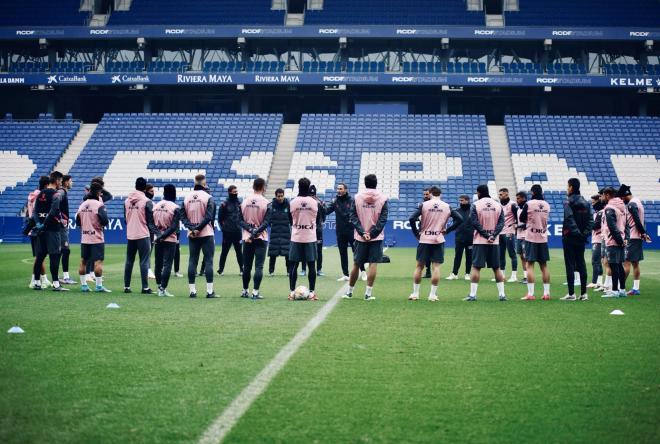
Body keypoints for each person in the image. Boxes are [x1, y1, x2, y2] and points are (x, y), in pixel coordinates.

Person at [408, 186, 463, 301]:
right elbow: (460, 219)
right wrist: (447, 231)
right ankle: (432, 295)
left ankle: (415, 294)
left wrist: (416, 234)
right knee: (436, 267)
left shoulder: (424, 205)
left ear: (431, 194)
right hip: (438, 238)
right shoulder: (447, 206)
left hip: (424, 238)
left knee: (419, 267)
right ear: (440, 194)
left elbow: (412, 218)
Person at [345, 174, 389, 301]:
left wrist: (363, 232)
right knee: (373, 264)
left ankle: (349, 292)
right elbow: (383, 219)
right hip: (376, 238)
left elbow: (352, 216)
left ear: (365, 183)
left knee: (356, 264)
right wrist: (373, 233)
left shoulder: (357, 197)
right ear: (376, 183)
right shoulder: (383, 198)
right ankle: (368, 294)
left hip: (360, 237)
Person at [464, 184, 506, 301]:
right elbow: (501, 223)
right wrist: (493, 235)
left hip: (479, 241)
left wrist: (486, 235)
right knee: (497, 268)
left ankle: (472, 295)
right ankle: (502, 295)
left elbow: (474, 222)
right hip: (494, 241)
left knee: (476, 268)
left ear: (478, 193)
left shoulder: (475, 205)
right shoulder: (498, 205)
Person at [123, 177, 161, 294]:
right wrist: (158, 233)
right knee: (144, 261)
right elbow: (150, 221)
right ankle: (145, 287)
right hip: (143, 234)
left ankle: (127, 287)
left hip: (130, 234)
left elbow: (125, 219)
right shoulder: (147, 201)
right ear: (145, 188)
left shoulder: (126, 201)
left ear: (135, 185)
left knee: (129, 260)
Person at [32, 171, 67, 291]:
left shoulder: (41, 193)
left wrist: (38, 224)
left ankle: (37, 283)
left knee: (40, 256)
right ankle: (56, 284)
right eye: (60, 181)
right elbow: (53, 211)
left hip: (41, 230)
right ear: (57, 181)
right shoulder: (56, 194)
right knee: (54, 256)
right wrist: (45, 224)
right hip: (52, 229)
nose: (61, 184)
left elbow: (35, 212)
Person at [288, 178, 322, 301]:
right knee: (311, 265)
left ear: (298, 186)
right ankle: (312, 293)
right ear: (308, 187)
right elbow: (318, 220)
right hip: (310, 237)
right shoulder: (314, 202)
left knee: (294, 266)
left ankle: (292, 293)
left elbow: (289, 220)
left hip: (296, 236)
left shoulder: (292, 202)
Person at [560, 178, 593, 301]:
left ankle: (571, 294)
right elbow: (591, 220)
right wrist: (584, 234)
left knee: (570, 264)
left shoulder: (568, 202)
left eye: (568, 186)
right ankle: (584, 294)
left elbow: (569, 219)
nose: (567, 189)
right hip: (581, 239)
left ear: (571, 187)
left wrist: (577, 233)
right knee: (581, 263)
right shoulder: (586, 202)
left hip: (570, 237)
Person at [182, 180, 217, 298]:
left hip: (192, 234)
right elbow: (209, 217)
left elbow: (183, 216)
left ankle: (192, 291)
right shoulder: (208, 197)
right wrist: (198, 228)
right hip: (206, 233)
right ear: (204, 184)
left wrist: (192, 228)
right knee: (209, 261)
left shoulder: (186, 198)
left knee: (192, 261)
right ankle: (209, 291)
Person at [325, 183, 365, 281]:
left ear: (345, 190)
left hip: (352, 231)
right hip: (340, 232)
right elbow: (326, 211)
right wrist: (321, 206)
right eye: (337, 189)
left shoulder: (352, 200)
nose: (338, 190)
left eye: (341, 189)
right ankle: (345, 275)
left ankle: (363, 271)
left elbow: (359, 213)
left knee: (357, 252)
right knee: (342, 253)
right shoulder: (335, 201)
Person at [239, 178, 271, 299]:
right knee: (259, 266)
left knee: (246, 266)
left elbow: (240, 220)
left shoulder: (244, 201)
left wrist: (251, 231)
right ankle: (255, 292)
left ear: (253, 186)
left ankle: (244, 290)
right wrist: (256, 231)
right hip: (261, 238)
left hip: (247, 237)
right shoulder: (266, 202)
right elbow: (267, 222)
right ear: (263, 187)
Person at [75, 181, 110, 292]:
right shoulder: (99, 205)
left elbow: (77, 222)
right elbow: (105, 221)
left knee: (83, 261)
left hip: (84, 238)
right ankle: (99, 286)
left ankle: (84, 285)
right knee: (98, 262)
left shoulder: (82, 205)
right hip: (96, 238)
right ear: (99, 192)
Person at [519, 184, 551, 301]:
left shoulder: (529, 204)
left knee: (530, 265)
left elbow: (522, 218)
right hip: (543, 237)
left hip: (531, 237)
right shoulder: (547, 205)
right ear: (541, 193)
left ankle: (531, 294)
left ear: (532, 193)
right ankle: (547, 293)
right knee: (544, 266)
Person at [622, 184, 650, 296]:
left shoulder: (631, 204)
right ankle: (636, 288)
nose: (622, 200)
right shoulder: (638, 202)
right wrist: (643, 233)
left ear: (626, 195)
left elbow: (637, 220)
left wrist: (643, 233)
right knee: (635, 264)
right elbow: (642, 220)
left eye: (622, 197)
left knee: (626, 263)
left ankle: (619, 288)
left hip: (633, 237)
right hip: (637, 237)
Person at [153, 184, 181, 297]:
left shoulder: (156, 206)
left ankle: (159, 286)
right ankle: (162, 289)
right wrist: (164, 235)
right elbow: (174, 226)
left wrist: (159, 235)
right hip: (170, 239)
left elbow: (150, 223)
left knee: (158, 263)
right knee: (167, 264)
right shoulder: (175, 207)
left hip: (157, 238)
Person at [602, 186, 629, 298]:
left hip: (613, 240)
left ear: (608, 195)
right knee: (619, 265)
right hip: (621, 238)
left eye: (603, 195)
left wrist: (619, 240)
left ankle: (614, 291)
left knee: (613, 265)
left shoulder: (610, 208)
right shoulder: (622, 207)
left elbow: (612, 227)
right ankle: (622, 290)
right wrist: (624, 239)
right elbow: (626, 224)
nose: (602, 197)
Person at [25, 175, 51, 289]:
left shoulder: (31, 195)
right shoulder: (41, 196)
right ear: (46, 185)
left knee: (39, 256)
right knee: (39, 257)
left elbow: (28, 212)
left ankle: (44, 279)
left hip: (33, 227)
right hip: (39, 228)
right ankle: (34, 280)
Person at [217, 185, 244, 275]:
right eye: (234, 192)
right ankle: (221, 270)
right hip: (227, 232)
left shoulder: (240, 203)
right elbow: (220, 219)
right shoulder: (224, 204)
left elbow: (242, 217)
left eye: (236, 191)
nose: (236, 193)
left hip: (237, 231)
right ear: (229, 192)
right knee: (224, 252)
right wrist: (223, 229)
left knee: (239, 252)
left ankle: (242, 270)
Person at [301, 185, 326, 277]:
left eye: (313, 194)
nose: (312, 196)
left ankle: (319, 269)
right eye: (310, 194)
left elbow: (324, 216)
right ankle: (304, 269)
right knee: (304, 249)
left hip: (317, 230)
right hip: (306, 229)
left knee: (318, 250)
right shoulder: (305, 202)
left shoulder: (320, 203)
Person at [446, 195, 473, 281]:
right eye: (460, 201)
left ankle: (467, 274)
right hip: (459, 237)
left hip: (470, 238)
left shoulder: (473, 211)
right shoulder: (456, 211)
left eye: (462, 200)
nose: (460, 202)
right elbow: (453, 224)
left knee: (469, 256)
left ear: (467, 201)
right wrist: (447, 230)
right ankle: (454, 273)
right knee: (458, 255)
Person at [268, 188, 292, 276]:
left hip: (286, 232)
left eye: (282, 196)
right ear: (275, 196)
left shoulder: (289, 205)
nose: (280, 198)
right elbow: (268, 219)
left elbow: (291, 218)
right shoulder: (271, 206)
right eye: (278, 196)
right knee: (273, 253)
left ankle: (289, 271)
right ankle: (271, 271)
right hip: (275, 232)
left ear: (284, 195)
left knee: (287, 253)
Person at [497, 188, 519, 282]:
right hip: (500, 232)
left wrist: (516, 224)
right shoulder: (498, 205)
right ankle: (502, 275)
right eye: (499, 194)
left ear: (507, 194)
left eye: (501, 194)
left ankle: (514, 276)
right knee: (501, 255)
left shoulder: (513, 205)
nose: (500, 196)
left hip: (509, 231)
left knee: (512, 254)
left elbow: (518, 217)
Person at [58, 175, 75, 285]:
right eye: (71, 181)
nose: (72, 183)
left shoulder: (63, 192)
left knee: (60, 251)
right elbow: (54, 204)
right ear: (66, 182)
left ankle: (58, 277)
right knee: (65, 250)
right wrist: (60, 219)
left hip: (62, 226)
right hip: (61, 226)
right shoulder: (61, 192)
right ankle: (65, 277)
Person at [587, 193, 605, 290]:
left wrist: (588, 224)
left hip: (599, 240)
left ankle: (594, 282)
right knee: (598, 261)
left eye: (594, 202)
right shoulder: (597, 213)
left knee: (595, 261)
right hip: (596, 239)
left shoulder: (601, 212)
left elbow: (596, 226)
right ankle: (599, 282)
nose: (592, 204)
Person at [514, 191, 528, 284]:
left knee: (526, 256)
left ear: (523, 198)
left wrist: (518, 227)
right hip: (519, 236)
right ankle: (525, 276)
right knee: (522, 257)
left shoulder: (528, 208)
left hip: (526, 235)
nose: (517, 200)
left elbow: (529, 223)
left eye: (518, 198)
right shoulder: (518, 209)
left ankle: (528, 277)